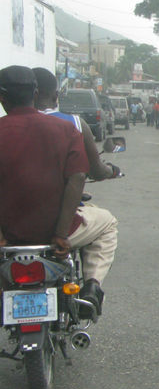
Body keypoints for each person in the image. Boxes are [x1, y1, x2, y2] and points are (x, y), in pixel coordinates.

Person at [0, 66, 117, 314]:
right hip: (54, 235)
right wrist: (60, 234)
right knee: (107, 223)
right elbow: (77, 178)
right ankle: (92, 288)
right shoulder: (67, 129)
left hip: (7, 239)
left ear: (2, 98)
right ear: (35, 93)